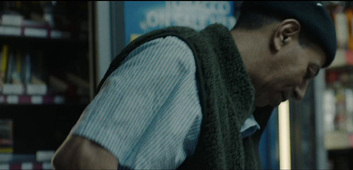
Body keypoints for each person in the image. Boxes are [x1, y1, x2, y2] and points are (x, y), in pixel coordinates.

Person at [52, 1, 337, 169]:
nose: (301, 92)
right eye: (308, 72)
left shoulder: (242, 112)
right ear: (284, 35)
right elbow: (80, 158)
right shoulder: (177, 60)